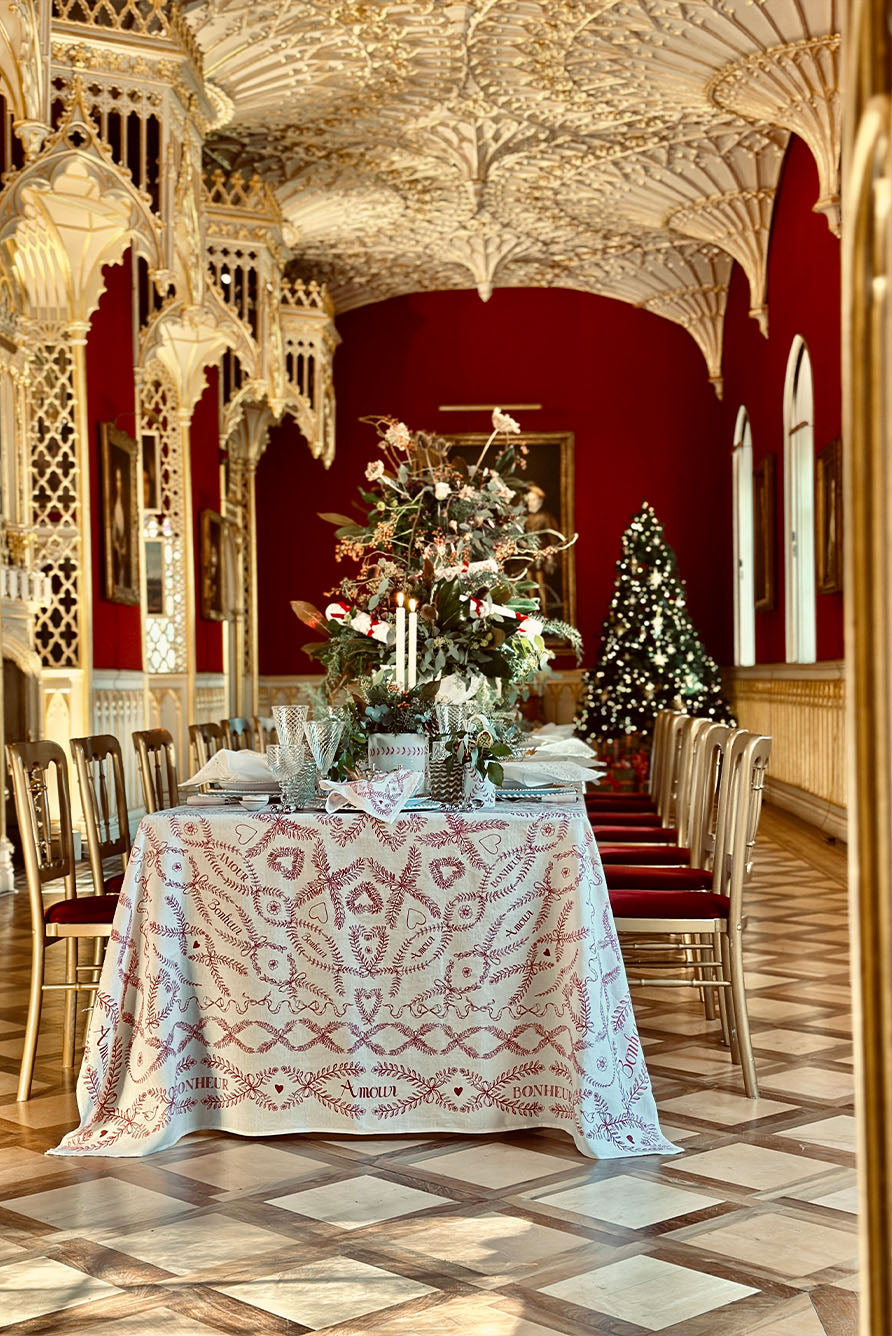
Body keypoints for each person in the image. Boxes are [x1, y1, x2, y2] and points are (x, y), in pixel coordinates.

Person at [523, 483, 560, 617]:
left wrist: (551, 554)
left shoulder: (545, 517)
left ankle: (544, 610)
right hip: (528, 555)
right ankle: (532, 611)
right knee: (529, 583)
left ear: (539, 501)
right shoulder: (526, 517)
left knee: (540, 582)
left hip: (541, 555)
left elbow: (553, 538)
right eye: (529, 500)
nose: (530, 503)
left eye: (533, 500)